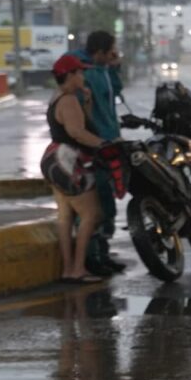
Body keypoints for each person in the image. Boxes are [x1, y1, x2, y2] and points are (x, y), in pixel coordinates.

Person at [40, 55, 108, 284]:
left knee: (66, 216)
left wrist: (86, 102)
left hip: (54, 159)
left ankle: (68, 269)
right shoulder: (68, 100)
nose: (83, 76)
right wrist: (105, 145)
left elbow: (79, 123)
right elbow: (77, 132)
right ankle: (78, 269)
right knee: (91, 214)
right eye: (79, 72)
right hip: (68, 161)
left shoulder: (59, 97)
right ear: (69, 75)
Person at [71, 31, 126, 275]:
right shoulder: (85, 73)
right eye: (111, 51)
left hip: (109, 142)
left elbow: (115, 91)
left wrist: (115, 67)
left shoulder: (102, 70)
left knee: (108, 201)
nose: (113, 54)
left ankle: (102, 253)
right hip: (94, 144)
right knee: (96, 201)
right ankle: (93, 257)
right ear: (100, 52)